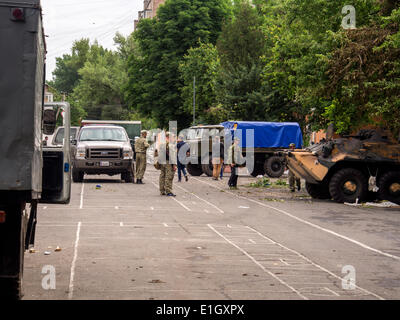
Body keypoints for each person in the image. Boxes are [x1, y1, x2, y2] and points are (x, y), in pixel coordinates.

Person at [156, 132, 177, 196]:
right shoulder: (170, 144)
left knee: (162, 175)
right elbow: (172, 155)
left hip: (162, 161)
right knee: (169, 176)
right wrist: (174, 164)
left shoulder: (162, 143)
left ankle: (162, 190)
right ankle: (168, 191)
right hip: (168, 162)